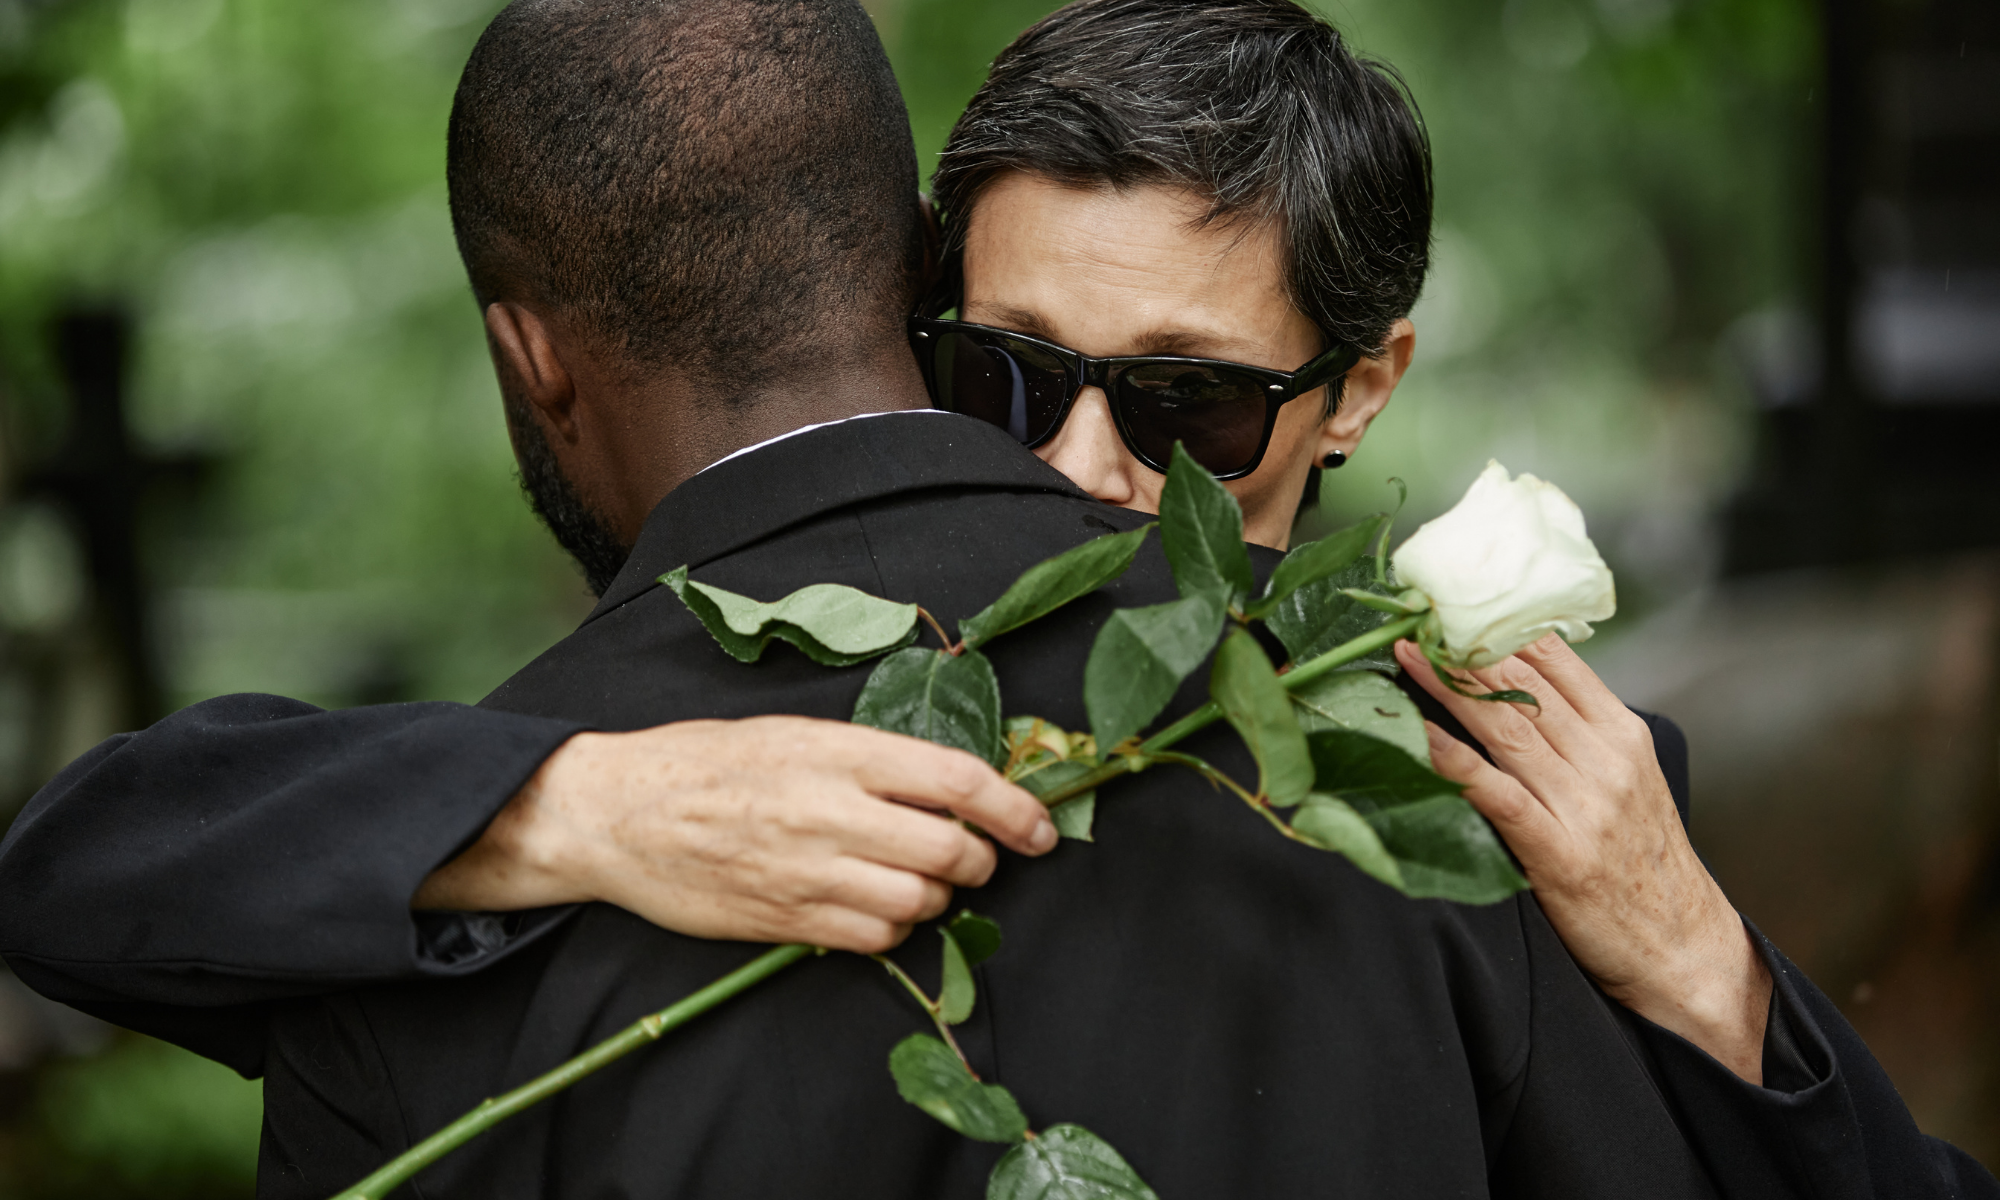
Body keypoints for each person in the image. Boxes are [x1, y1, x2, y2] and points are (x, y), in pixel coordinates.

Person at [0, 1, 1990, 1196]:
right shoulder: (520, 820)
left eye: (1188, 406)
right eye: (1006, 379)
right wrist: (581, 807)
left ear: (1358, 386)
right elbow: (81, 866)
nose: (1078, 481)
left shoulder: (1472, 805)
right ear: (904, 308)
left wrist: (1712, 977)